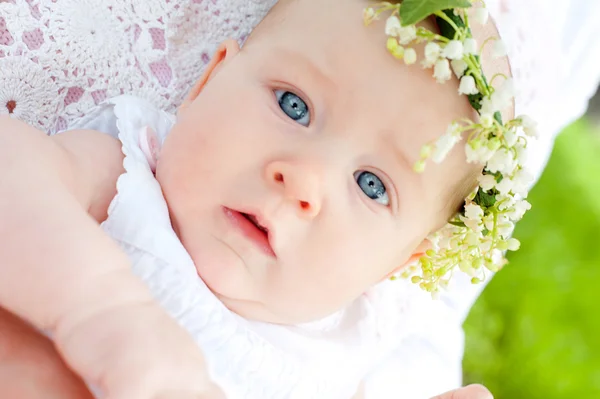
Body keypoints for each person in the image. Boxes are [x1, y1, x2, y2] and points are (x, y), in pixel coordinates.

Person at [2, 0, 600, 398]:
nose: (305, 180)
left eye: (373, 185)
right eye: (294, 105)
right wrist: (106, 312)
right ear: (209, 82)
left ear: (400, 265)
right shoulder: (128, 177)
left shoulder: (359, 350)